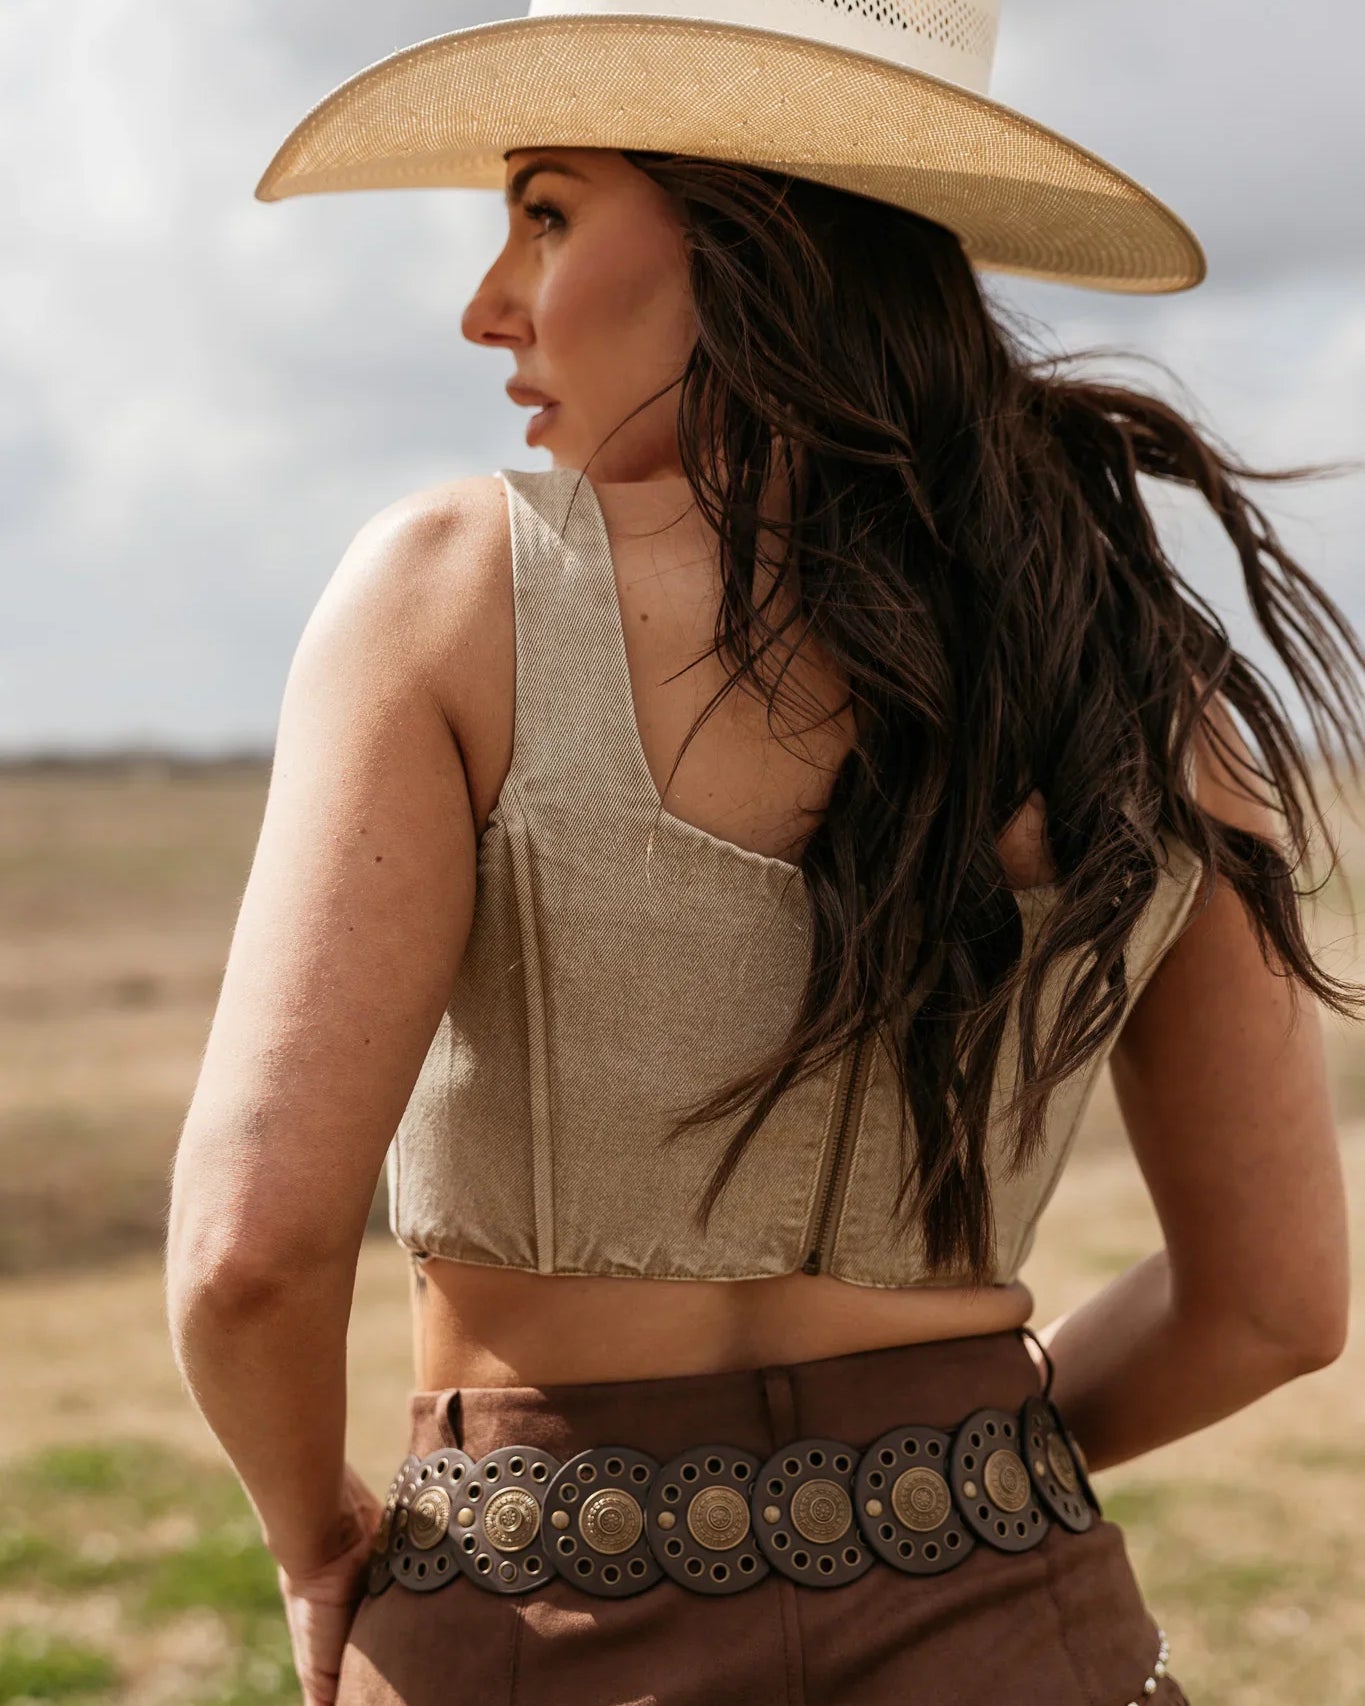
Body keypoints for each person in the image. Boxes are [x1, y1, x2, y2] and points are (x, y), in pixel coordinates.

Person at [166, 4, 1363, 1703]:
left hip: (529, 1631)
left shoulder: (453, 597)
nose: (485, 303)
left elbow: (246, 1252)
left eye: (550, 210)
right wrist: (957, 1485)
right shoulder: (1143, 687)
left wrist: (312, 1537)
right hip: (1027, 1623)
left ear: (756, 234)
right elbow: (1274, 1309)